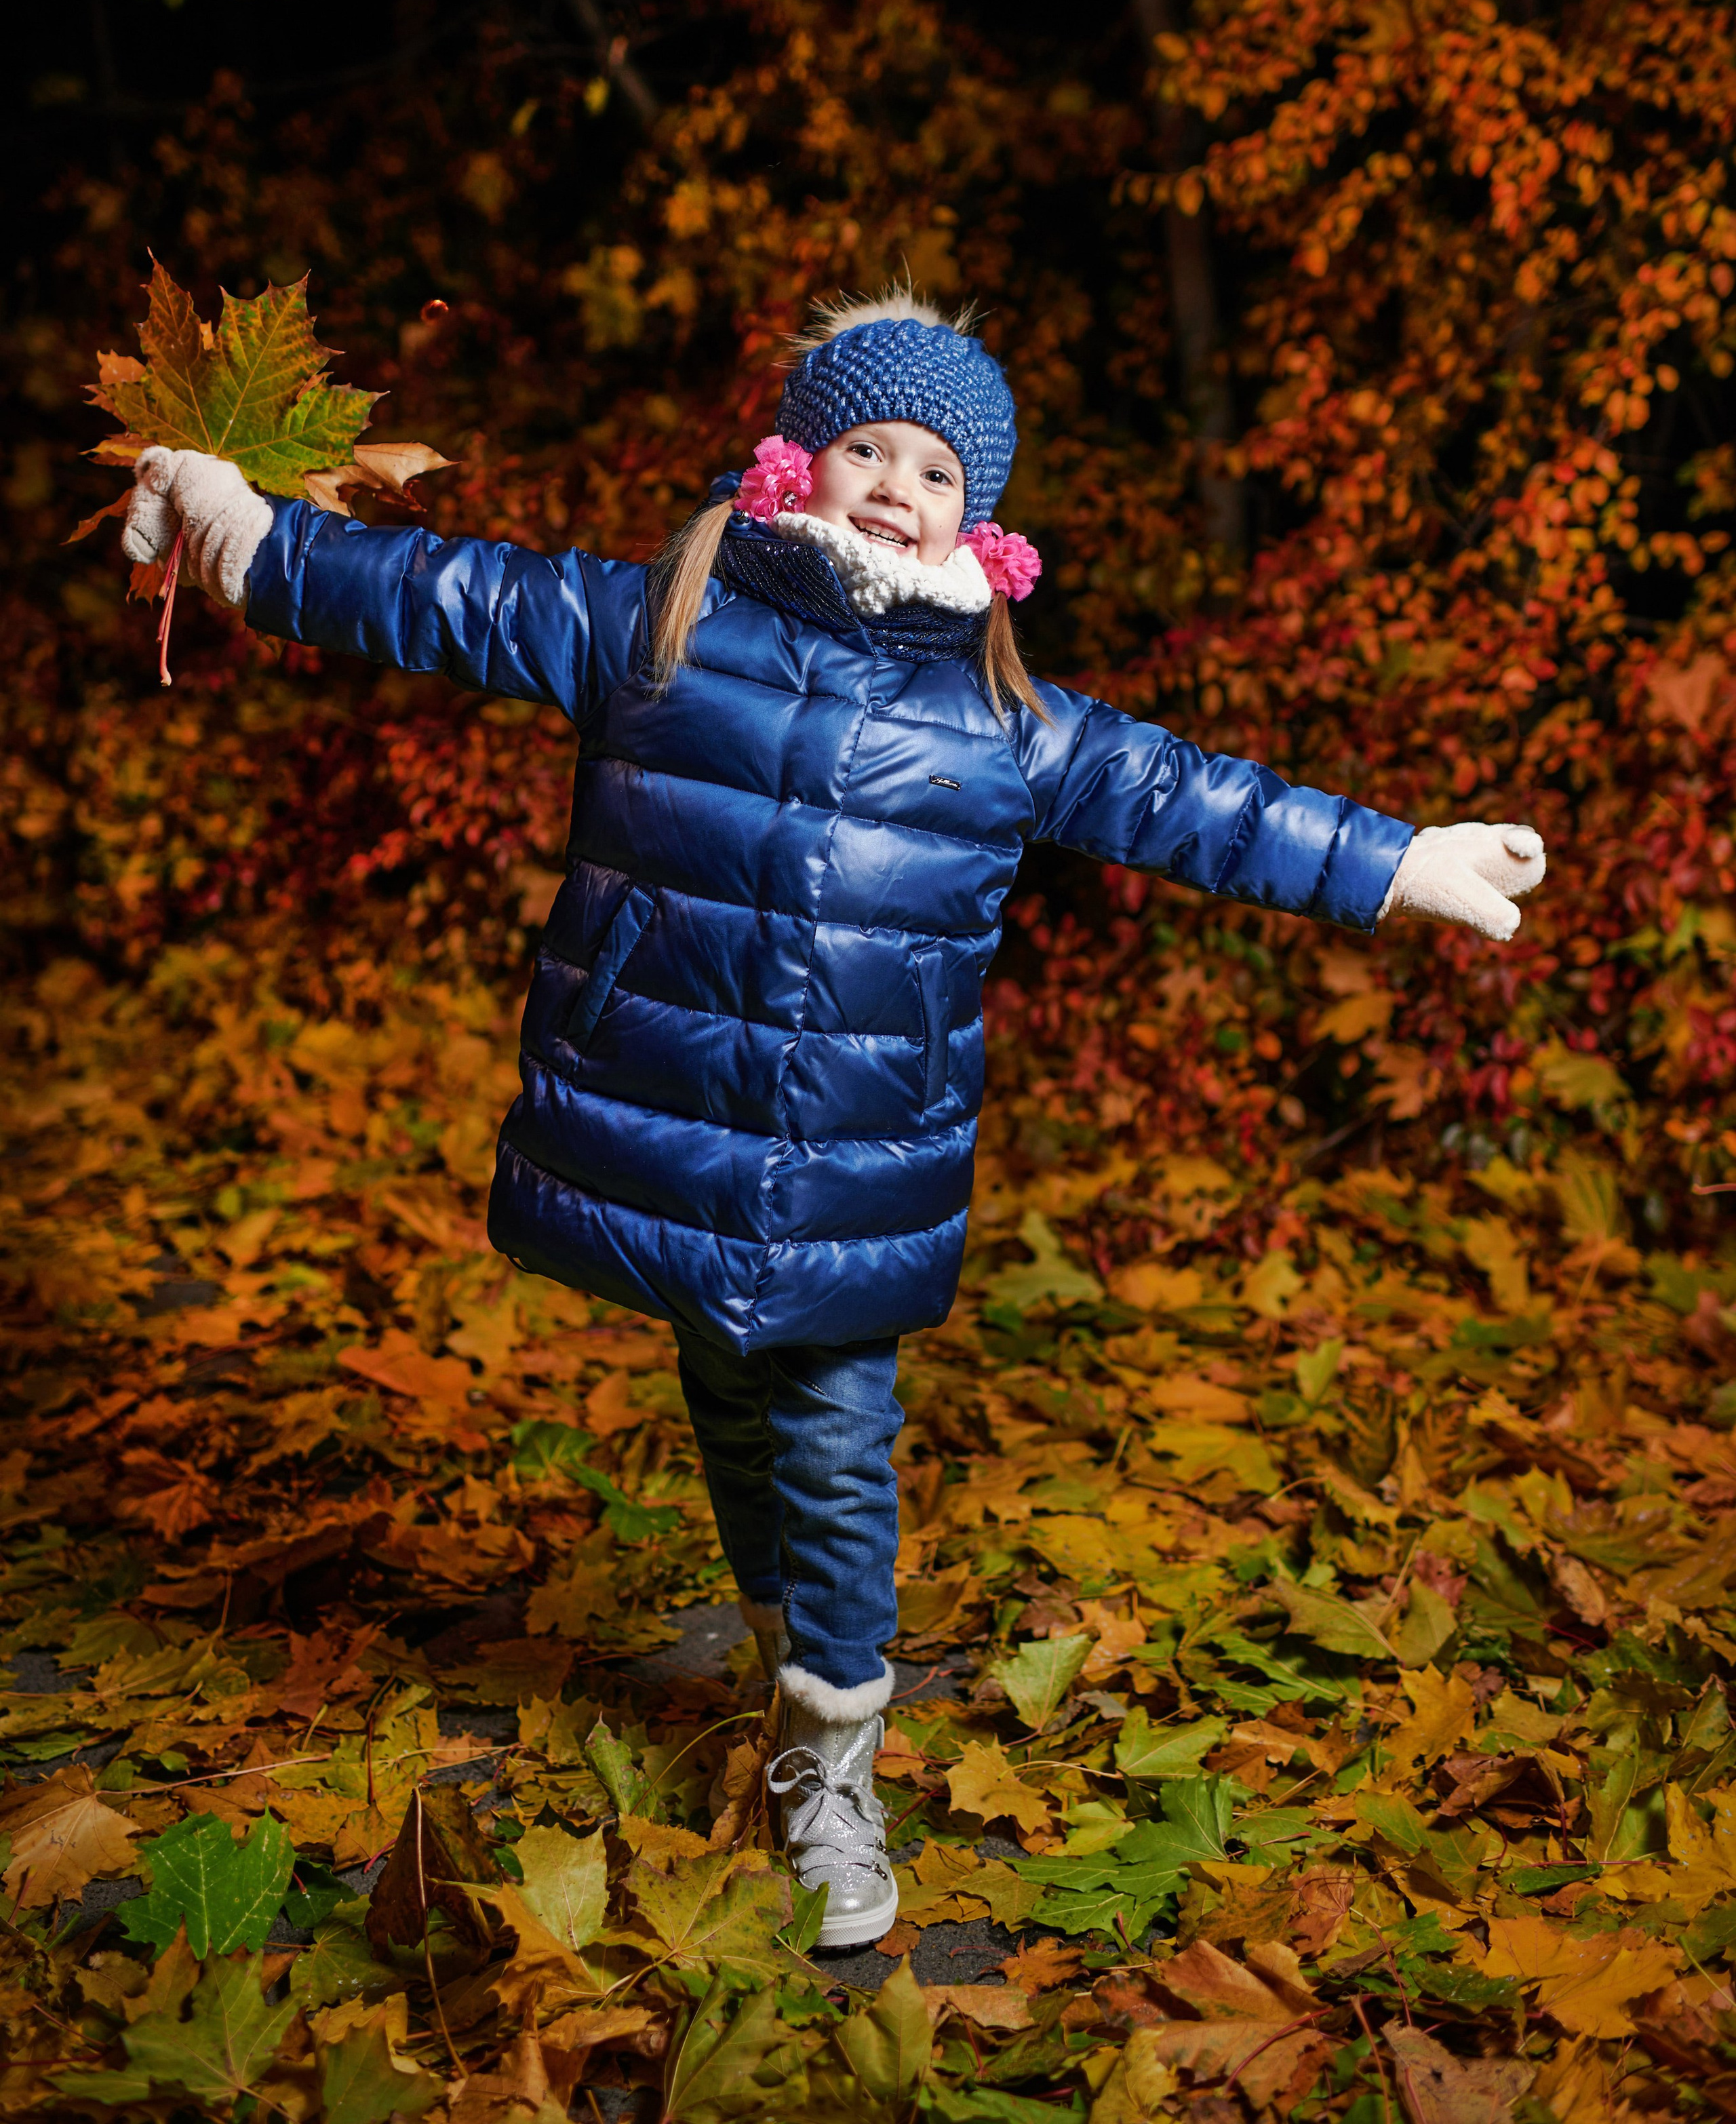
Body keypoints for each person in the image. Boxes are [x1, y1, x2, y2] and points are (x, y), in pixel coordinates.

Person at [122, 288, 1545, 1948]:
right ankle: (776, 1641)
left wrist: (1392, 860)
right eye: (863, 446)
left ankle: (830, 1758)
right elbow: (439, 591)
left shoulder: (1005, 721)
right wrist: (244, 533)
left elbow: (1194, 799)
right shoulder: (656, 620)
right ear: (798, 463)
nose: (893, 483)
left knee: (833, 1440)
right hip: (680, 1124)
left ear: (978, 515)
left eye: (932, 467)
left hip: (857, 1173)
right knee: (729, 1398)